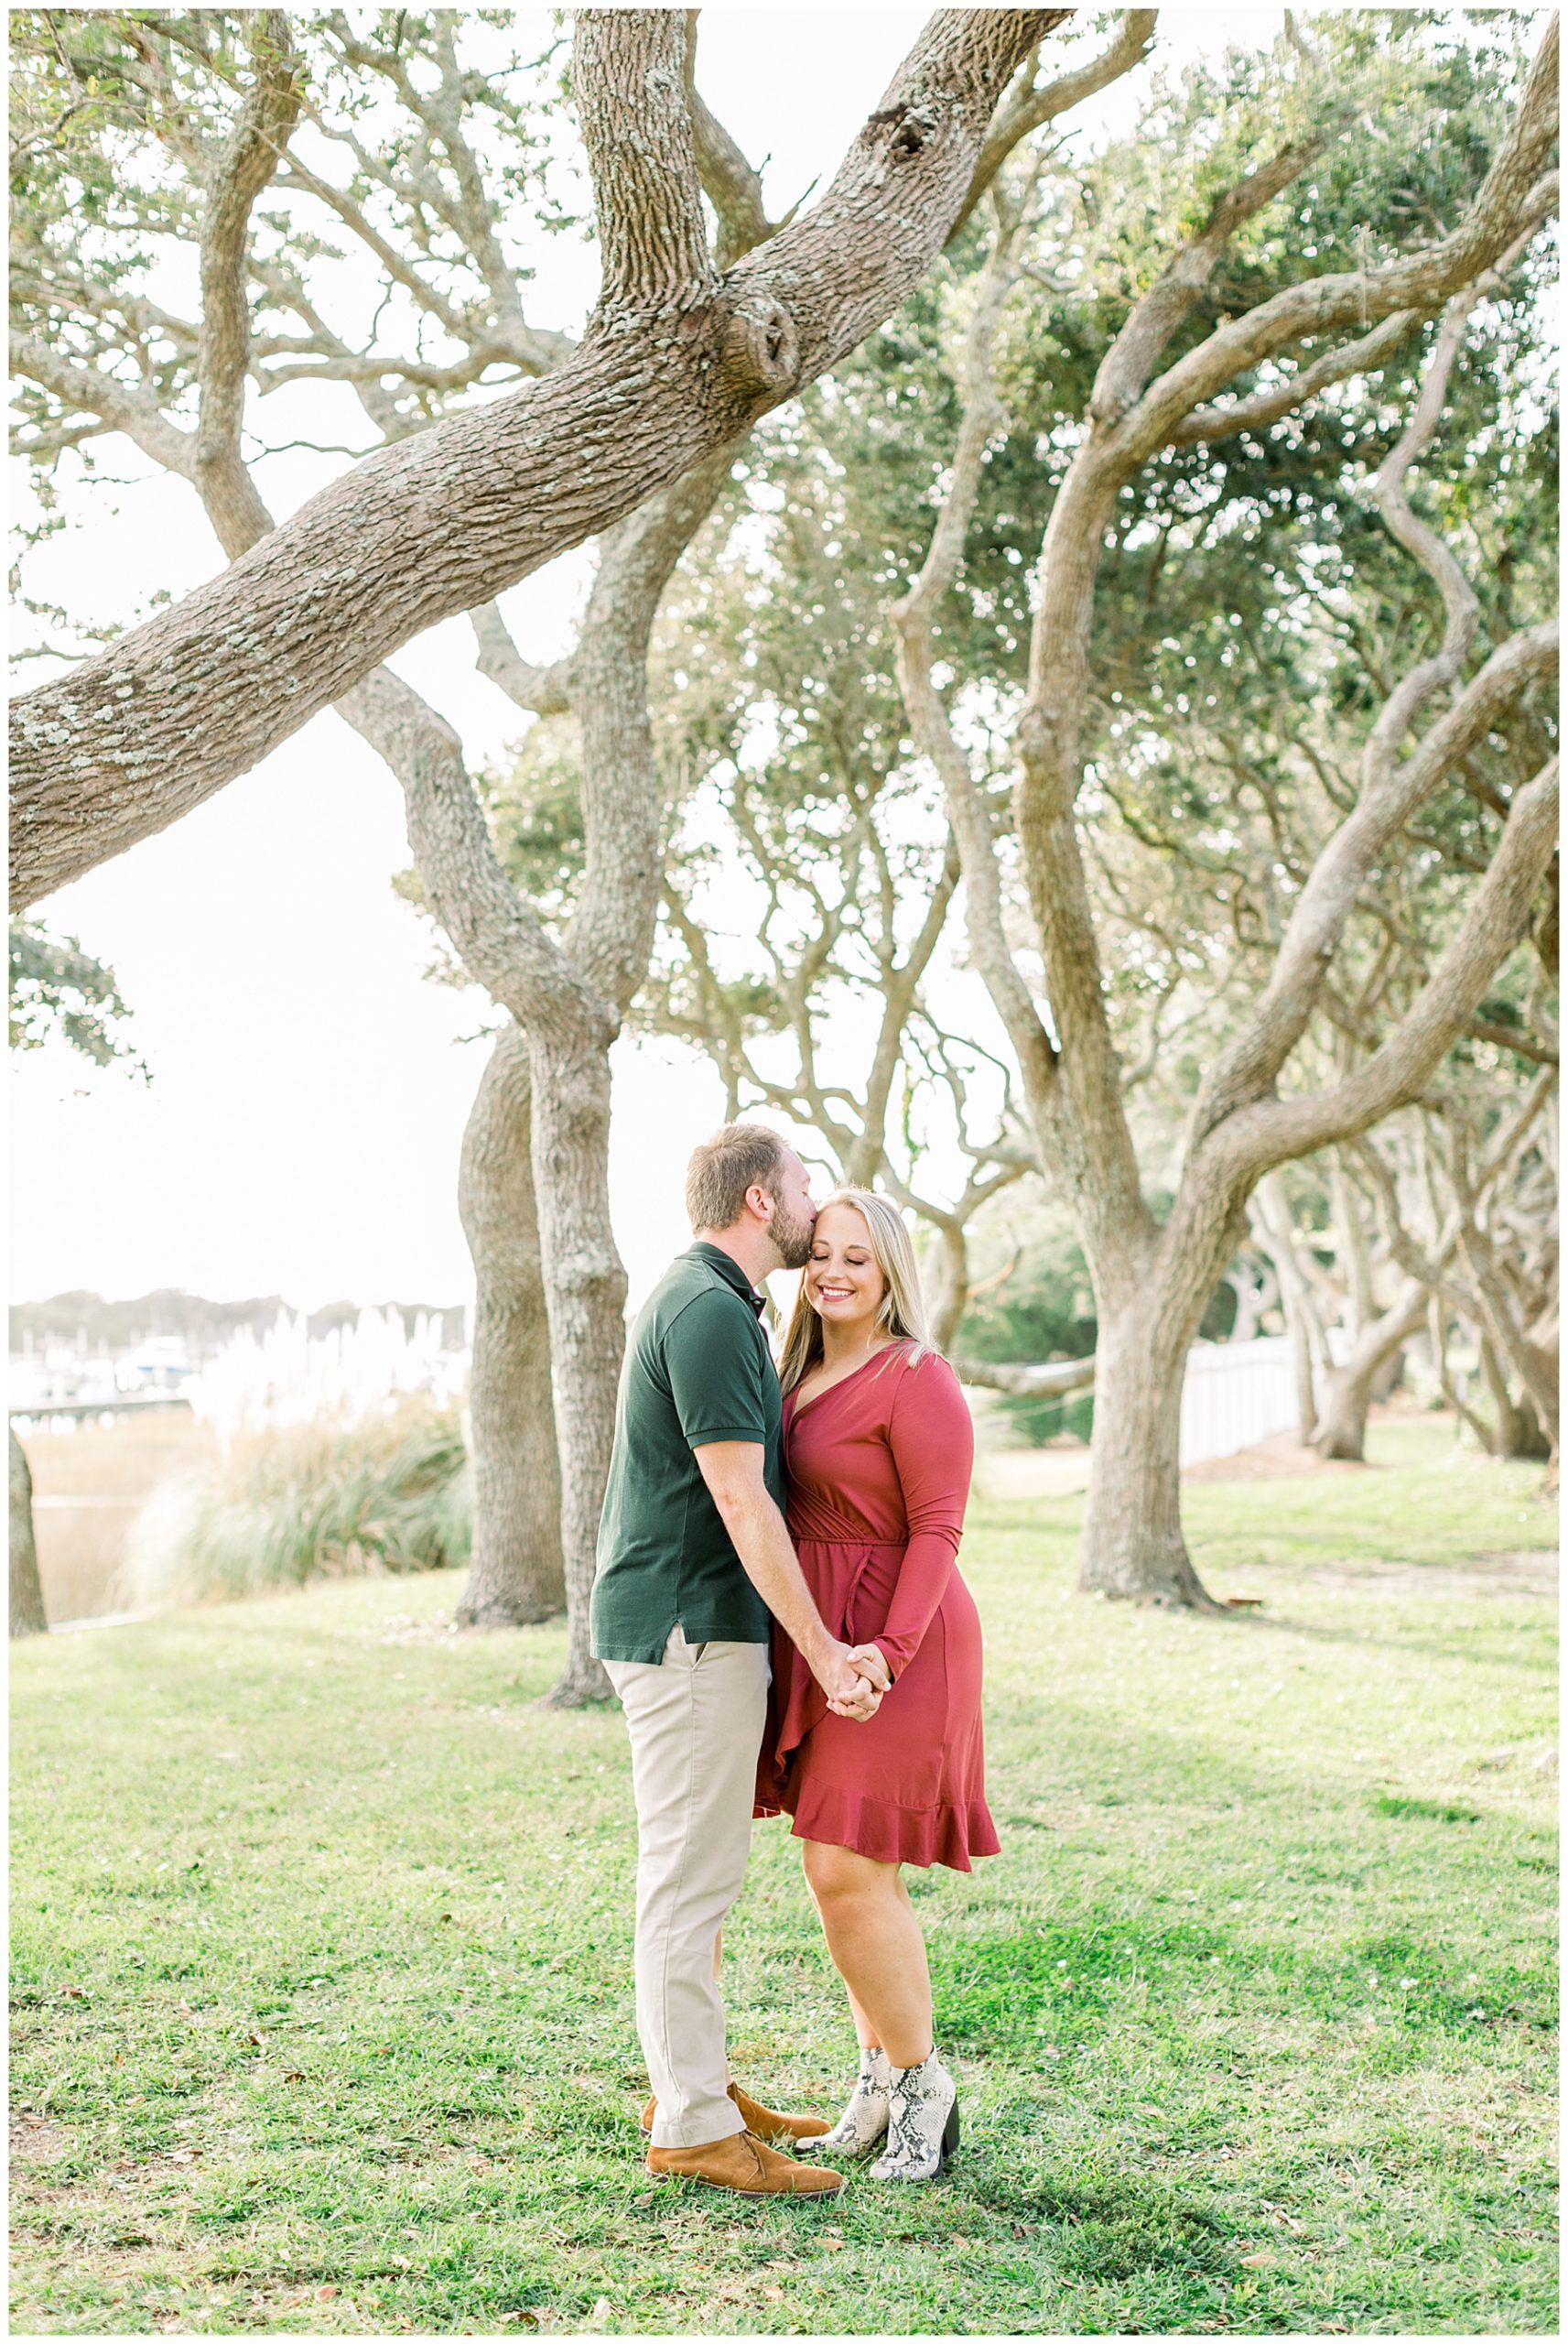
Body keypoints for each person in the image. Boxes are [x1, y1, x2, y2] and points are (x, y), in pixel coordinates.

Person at [590, 1124, 889, 2199]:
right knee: (687, 1877)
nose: (816, 1206)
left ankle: (699, 2084)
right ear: (763, 1199)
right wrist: (823, 1644)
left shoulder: (711, 1300)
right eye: (805, 1186)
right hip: (687, 1630)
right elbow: (738, 1496)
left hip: (694, 1626)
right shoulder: (711, 1309)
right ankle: (693, 2124)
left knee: (698, 1875)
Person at [757, 1187, 1000, 2183]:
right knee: (844, 1875)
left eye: (858, 1255)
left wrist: (887, 1655)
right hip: (822, 1645)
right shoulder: (797, 1371)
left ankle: (923, 2092)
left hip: (901, 1645)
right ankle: (873, 2084)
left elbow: (939, 1528)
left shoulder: (918, 1374)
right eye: (821, 1253)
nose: (836, 1271)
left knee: (845, 1870)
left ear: (892, 1268)